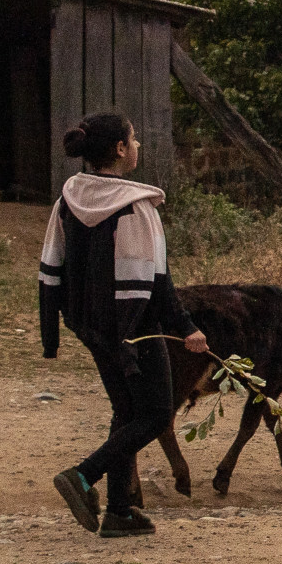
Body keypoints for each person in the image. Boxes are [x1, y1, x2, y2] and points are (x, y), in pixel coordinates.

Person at [39, 112, 208, 538]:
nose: (138, 148)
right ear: (119, 150)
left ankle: (119, 512)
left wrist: (52, 335)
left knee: (126, 411)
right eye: (134, 141)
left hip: (92, 327)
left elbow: (49, 269)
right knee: (156, 414)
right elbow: (155, 280)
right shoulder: (136, 206)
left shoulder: (67, 201)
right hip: (135, 329)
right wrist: (186, 328)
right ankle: (82, 475)